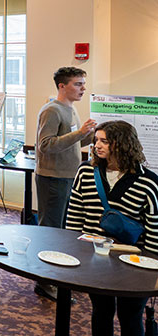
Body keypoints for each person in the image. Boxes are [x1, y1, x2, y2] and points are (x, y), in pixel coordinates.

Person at [66, 120, 158, 335]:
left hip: (134, 262)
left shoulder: (149, 182)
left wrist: (153, 268)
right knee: (101, 311)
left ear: (123, 144)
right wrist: (71, 250)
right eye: (96, 140)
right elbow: (74, 214)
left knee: (130, 315)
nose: (97, 145)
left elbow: (154, 227)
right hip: (95, 257)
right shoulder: (86, 172)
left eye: (104, 141)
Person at [33, 66, 97, 301]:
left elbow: (70, 141)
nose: (83, 88)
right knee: (51, 230)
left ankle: (56, 277)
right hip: (53, 178)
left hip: (68, 176)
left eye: (83, 83)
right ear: (62, 86)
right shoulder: (52, 110)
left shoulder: (70, 108)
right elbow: (46, 145)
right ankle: (45, 281)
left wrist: (93, 134)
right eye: (78, 84)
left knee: (62, 229)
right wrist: (81, 133)